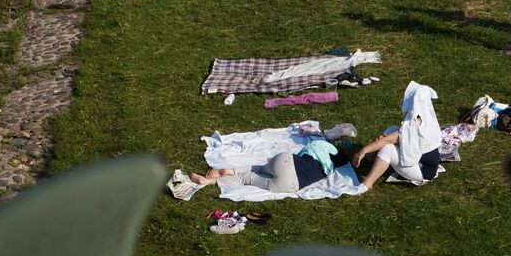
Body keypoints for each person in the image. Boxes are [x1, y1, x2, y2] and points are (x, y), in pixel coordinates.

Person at [351, 83, 443, 190]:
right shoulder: (427, 119)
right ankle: (373, 156)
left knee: (387, 149)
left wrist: (362, 150)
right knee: (393, 129)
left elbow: (389, 140)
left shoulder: (414, 126)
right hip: (420, 158)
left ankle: (367, 184)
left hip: (422, 170)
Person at [188, 131, 344, 193]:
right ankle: (207, 182)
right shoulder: (326, 171)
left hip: (286, 162)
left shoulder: (322, 151)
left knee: (260, 168)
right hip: (290, 185)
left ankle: (229, 170)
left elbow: (312, 147)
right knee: (247, 179)